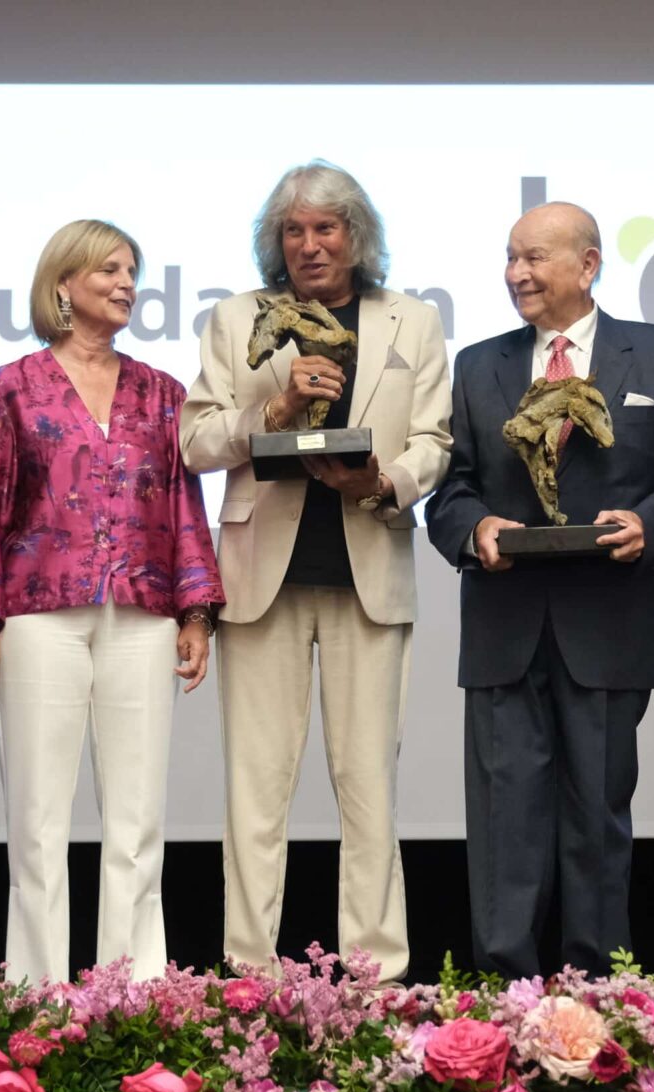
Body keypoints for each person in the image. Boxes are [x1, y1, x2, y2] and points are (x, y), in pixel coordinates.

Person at [426, 201, 654, 979]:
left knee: (598, 823)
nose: (517, 273)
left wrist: (649, 526)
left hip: (609, 625)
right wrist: (474, 528)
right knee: (502, 830)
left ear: (588, 265)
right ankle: (501, 1002)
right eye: (511, 258)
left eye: (534, 258)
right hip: (502, 628)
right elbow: (449, 493)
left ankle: (596, 1001)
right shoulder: (478, 364)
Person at [180, 162, 451, 982]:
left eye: (325, 228)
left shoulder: (413, 320)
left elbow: (435, 441)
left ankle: (375, 979)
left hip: (369, 571)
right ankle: (249, 974)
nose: (309, 245)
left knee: (368, 789)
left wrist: (381, 481)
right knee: (256, 793)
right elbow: (195, 442)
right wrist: (278, 410)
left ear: (356, 236)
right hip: (261, 579)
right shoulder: (237, 320)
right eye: (293, 231)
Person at [0, 220, 224, 984]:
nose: (126, 283)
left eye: (132, 270)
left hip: (142, 615)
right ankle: (39, 998)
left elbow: (182, 507)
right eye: (109, 269)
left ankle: (134, 994)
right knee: (37, 825)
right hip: (36, 619)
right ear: (63, 284)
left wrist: (196, 612)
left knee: (138, 824)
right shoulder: (9, 387)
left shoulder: (163, 393)